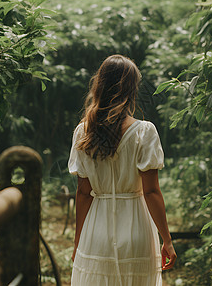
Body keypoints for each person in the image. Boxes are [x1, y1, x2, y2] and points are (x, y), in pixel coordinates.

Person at [68, 54, 176, 286]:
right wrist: (167, 240)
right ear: (131, 89)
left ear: (99, 85)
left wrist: (79, 242)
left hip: (96, 230)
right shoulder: (144, 132)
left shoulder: (83, 133)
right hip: (136, 227)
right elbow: (151, 192)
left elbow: (84, 193)